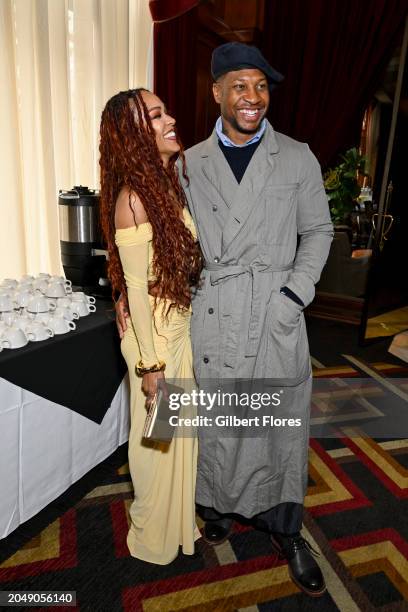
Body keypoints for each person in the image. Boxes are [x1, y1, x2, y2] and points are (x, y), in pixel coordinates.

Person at [116, 43, 333, 596]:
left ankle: (285, 529)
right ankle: (213, 504)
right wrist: (128, 293)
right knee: (210, 425)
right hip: (208, 317)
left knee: (275, 424)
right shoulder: (188, 161)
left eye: (261, 86)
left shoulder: (298, 155)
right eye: (239, 85)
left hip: (272, 313)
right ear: (216, 92)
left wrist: (293, 295)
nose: (252, 97)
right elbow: (152, 231)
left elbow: (320, 233)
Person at [99, 88, 203, 564]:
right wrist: (150, 365)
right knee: (157, 447)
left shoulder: (162, 186)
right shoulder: (135, 200)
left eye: (165, 109)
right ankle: (148, 537)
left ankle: (175, 528)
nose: (170, 118)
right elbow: (137, 293)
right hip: (154, 340)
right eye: (157, 114)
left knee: (178, 437)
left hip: (172, 330)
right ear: (137, 133)